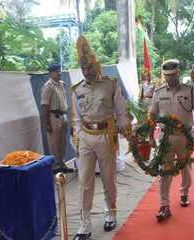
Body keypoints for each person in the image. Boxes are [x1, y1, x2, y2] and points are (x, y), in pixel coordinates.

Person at [71, 36, 132, 240]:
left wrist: (127, 131)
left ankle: (110, 213)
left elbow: (121, 111)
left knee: (108, 178)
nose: (86, 72)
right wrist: (78, 138)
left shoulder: (110, 84)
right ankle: (84, 223)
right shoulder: (77, 90)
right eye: (83, 69)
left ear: (96, 66)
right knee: (84, 181)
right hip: (86, 138)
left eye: (89, 68)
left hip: (106, 136)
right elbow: (76, 118)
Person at [149, 59, 194, 222]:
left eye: (173, 75)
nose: (170, 78)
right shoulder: (158, 92)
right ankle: (164, 205)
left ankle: (184, 192)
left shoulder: (189, 90)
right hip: (165, 136)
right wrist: (150, 136)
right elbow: (152, 115)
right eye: (167, 76)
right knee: (165, 170)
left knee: (185, 167)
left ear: (179, 73)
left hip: (184, 136)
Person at [41, 63, 71, 173]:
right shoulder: (48, 86)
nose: (59, 73)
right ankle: (56, 167)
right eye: (56, 71)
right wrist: (47, 123)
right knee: (54, 143)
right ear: (50, 73)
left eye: (59, 71)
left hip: (63, 116)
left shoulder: (62, 84)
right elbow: (45, 106)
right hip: (53, 116)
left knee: (62, 142)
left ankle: (62, 164)